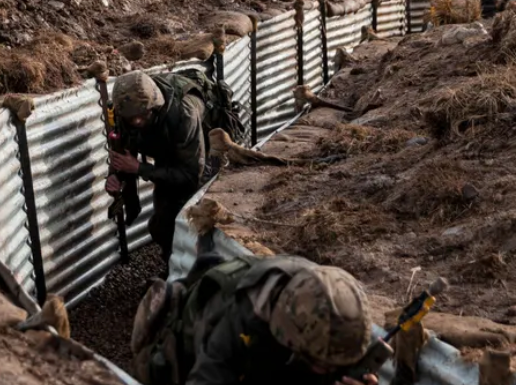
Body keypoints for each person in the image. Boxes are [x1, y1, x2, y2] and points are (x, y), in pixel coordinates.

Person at [131, 252, 379, 385]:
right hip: (183, 354)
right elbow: (207, 376)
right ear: (288, 336)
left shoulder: (325, 314)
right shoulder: (239, 316)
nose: (328, 371)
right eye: (323, 365)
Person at [106, 70, 205, 265]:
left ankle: (193, 275)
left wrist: (141, 169)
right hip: (168, 151)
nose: (136, 121)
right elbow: (124, 151)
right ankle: (173, 272)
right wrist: (116, 176)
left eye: (142, 114)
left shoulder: (184, 114)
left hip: (200, 150)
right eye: (131, 117)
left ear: (155, 105)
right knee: (163, 225)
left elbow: (191, 175)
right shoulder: (125, 111)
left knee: (191, 221)